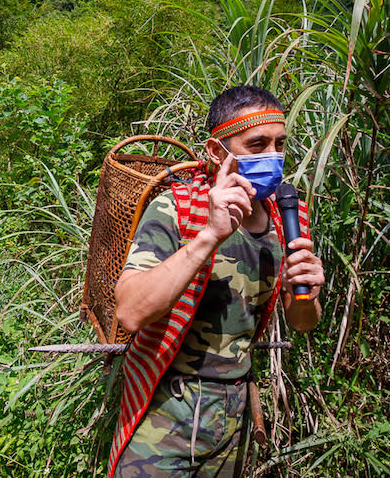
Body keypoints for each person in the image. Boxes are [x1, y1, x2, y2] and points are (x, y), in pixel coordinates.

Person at [108, 85, 325, 477]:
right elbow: (131, 312)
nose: (272, 157)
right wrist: (208, 236)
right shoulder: (177, 208)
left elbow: (302, 323)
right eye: (256, 144)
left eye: (280, 144)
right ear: (216, 151)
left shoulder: (286, 218)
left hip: (233, 416)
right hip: (166, 409)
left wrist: (307, 293)